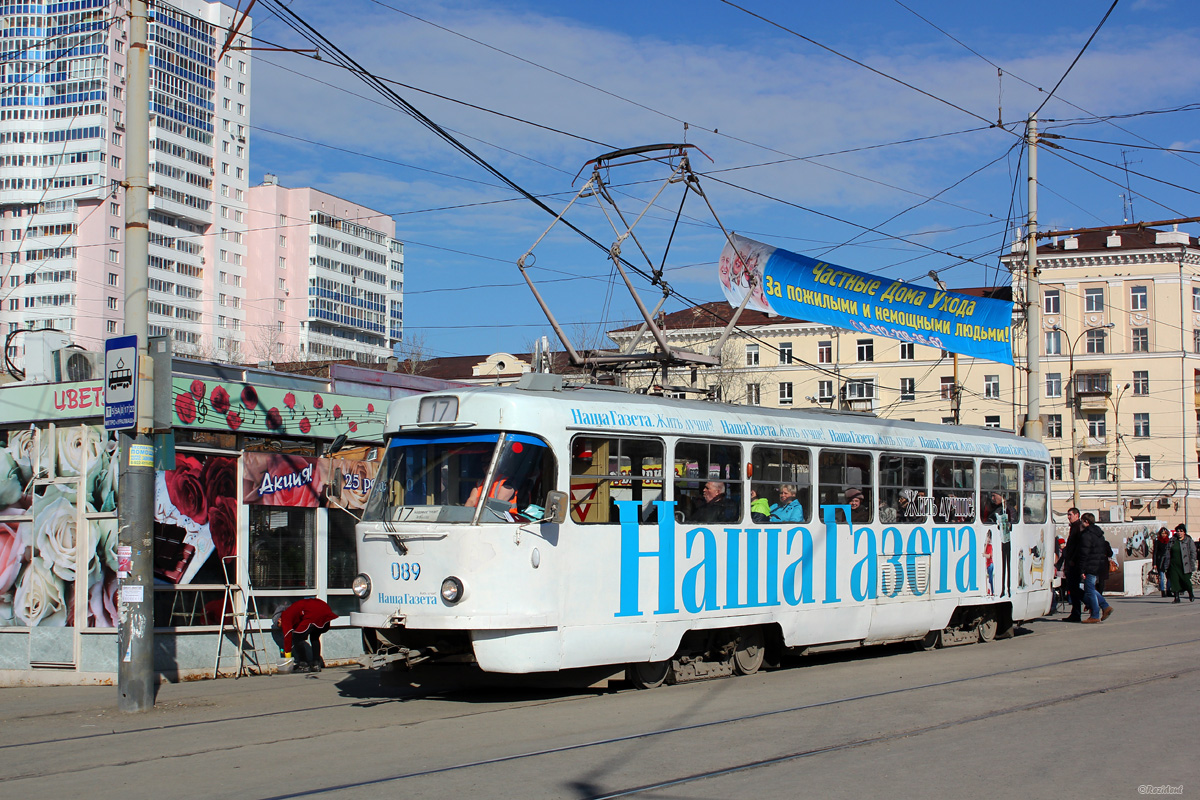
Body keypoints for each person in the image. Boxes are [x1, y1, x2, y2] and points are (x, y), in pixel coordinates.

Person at [276, 598, 338, 673]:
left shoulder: (285, 616)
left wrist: (287, 660)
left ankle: (303, 665)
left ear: (279, 620)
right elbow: (303, 628)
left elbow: (287, 637)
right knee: (314, 637)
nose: (281, 628)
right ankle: (316, 664)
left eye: (279, 625)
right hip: (324, 609)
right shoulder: (293, 611)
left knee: (297, 638)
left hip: (314, 613)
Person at [1077, 512, 1112, 623]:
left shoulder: (1087, 535)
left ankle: (1095, 615)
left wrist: (1082, 569)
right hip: (1098, 565)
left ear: (1086, 522)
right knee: (1090, 589)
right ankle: (1105, 607)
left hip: (1090, 565)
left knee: (1090, 590)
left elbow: (1084, 553)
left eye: (1082, 521)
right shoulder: (1099, 534)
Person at [1056, 508, 1084, 622]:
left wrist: (1072, 559)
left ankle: (1099, 603)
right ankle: (1076, 613)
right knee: (1073, 588)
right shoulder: (1074, 527)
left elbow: (1076, 547)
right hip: (1072, 562)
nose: (1068, 517)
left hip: (1074, 563)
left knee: (1074, 588)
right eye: (1067, 515)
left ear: (1077, 515)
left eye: (1070, 515)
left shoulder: (1078, 527)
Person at [1165, 524, 1197, 603]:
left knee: (1186, 581)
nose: (1179, 533)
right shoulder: (1172, 541)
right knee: (1174, 581)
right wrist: (1166, 564)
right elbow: (1167, 553)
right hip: (1173, 565)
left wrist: (1192, 561)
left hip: (1185, 565)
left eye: (1181, 531)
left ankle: (1190, 593)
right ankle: (1176, 597)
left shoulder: (1188, 540)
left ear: (1184, 532)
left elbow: (1193, 552)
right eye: (1178, 531)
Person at [1152, 527, 1172, 597]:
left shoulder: (1169, 541)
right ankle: (1163, 591)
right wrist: (1154, 563)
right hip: (1160, 561)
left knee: (1169, 576)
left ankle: (1168, 590)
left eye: (1165, 533)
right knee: (1162, 577)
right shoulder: (1157, 542)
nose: (1163, 535)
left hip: (1168, 561)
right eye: (1162, 533)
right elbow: (1155, 553)